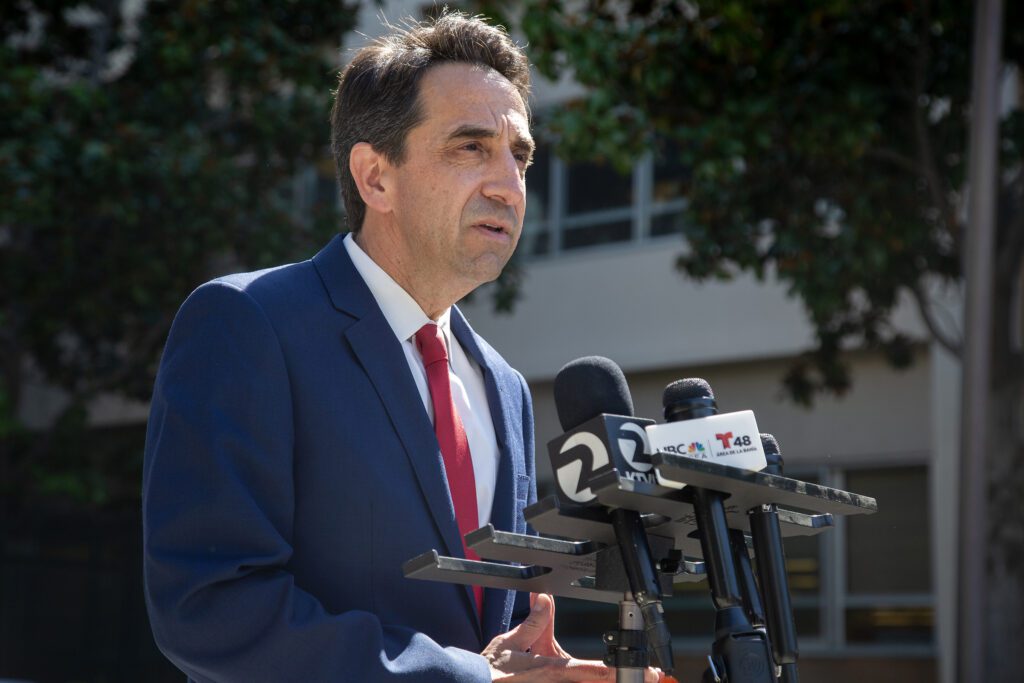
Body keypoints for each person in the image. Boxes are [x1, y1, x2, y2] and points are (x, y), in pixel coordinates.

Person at [143, 10, 654, 682]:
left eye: (519, 154)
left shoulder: (504, 387)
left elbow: (472, 643)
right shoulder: (247, 324)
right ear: (375, 177)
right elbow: (208, 605)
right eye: (471, 147)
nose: (508, 183)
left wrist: (514, 664)